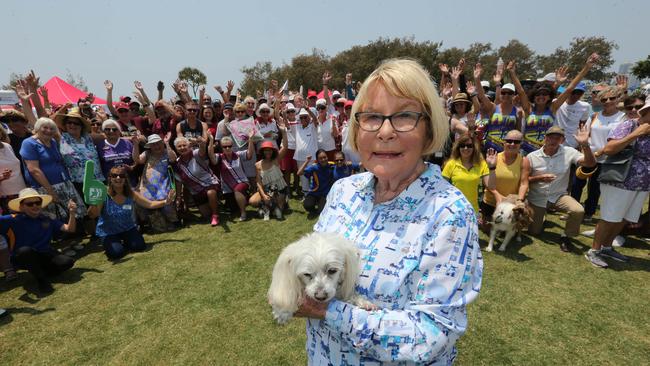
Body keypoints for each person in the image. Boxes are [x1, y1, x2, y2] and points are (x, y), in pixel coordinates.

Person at [295, 59, 482, 365]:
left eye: (405, 116)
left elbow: (429, 336)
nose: (384, 132)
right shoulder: (344, 191)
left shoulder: (449, 213)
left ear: (429, 128)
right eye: (370, 117)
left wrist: (325, 309)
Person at [585, 98, 650, 268]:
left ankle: (607, 247)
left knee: (623, 219)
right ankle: (594, 250)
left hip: (641, 184)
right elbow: (609, 149)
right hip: (619, 180)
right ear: (645, 112)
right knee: (609, 217)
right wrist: (636, 134)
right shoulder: (630, 125)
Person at [527, 126, 596, 252]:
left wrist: (585, 145)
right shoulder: (532, 156)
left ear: (562, 140)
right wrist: (539, 178)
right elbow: (525, 179)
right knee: (534, 232)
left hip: (559, 195)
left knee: (578, 210)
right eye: (550, 137)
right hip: (538, 197)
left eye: (557, 138)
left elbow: (590, 163)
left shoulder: (569, 152)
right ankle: (541, 216)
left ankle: (566, 237)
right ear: (544, 138)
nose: (553, 141)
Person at [87, 166, 174, 260]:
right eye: (114, 175)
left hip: (127, 228)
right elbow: (93, 215)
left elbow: (150, 204)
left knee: (139, 246)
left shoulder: (131, 193)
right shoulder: (103, 194)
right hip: (108, 232)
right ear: (110, 178)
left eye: (121, 176)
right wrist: (94, 203)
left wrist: (166, 202)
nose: (118, 178)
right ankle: (114, 243)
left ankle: (123, 242)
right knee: (116, 254)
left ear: (125, 179)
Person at [0, 188, 77, 293]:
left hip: (45, 254)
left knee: (67, 262)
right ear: (21, 207)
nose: (35, 206)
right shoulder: (12, 220)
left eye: (37, 202)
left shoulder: (47, 218)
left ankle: (40, 271)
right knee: (25, 251)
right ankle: (42, 281)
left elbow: (70, 229)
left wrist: (72, 213)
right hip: (23, 256)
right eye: (30, 204)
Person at [570, 86, 626, 222]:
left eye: (612, 98)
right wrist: (584, 150)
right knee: (577, 184)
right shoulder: (595, 116)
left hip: (607, 159)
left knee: (595, 188)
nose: (608, 101)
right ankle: (573, 210)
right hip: (590, 156)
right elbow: (586, 134)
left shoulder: (623, 117)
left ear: (618, 98)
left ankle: (589, 212)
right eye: (604, 99)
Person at [20, 118, 87, 221]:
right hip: (45, 187)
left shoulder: (52, 141)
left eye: (52, 128)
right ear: (37, 128)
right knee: (54, 217)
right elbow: (34, 170)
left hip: (64, 183)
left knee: (74, 213)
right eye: (45, 128)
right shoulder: (29, 143)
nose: (48, 131)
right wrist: (50, 190)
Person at [481, 130, 530, 227]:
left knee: (506, 229)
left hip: (511, 203)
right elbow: (486, 182)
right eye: (509, 141)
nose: (512, 144)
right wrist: (498, 196)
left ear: (521, 144)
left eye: (516, 142)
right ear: (504, 142)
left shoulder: (524, 161)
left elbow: (524, 183)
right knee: (489, 229)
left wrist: (519, 200)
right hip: (491, 201)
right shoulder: (493, 158)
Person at [442, 130, 497, 213]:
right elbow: (442, 187)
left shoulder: (481, 164)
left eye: (469, 146)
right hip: (454, 210)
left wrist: (492, 167)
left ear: (474, 147)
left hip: (472, 210)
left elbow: (491, 186)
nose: (465, 148)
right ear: (458, 147)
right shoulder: (451, 164)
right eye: (462, 146)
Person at [132, 134, 178, 232]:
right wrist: (135, 145)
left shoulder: (167, 152)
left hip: (163, 185)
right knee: (142, 203)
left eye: (158, 143)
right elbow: (137, 160)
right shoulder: (147, 153)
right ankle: (147, 224)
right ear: (150, 146)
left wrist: (167, 144)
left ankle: (171, 222)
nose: (157, 146)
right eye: (153, 144)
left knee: (166, 201)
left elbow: (173, 158)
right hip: (146, 186)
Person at [174, 136, 221, 226]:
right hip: (196, 191)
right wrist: (178, 197)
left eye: (184, 145)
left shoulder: (195, 153)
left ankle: (216, 215)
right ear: (176, 149)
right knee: (206, 215)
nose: (182, 148)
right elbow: (179, 181)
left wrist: (201, 142)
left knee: (211, 193)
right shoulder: (178, 163)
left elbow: (202, 149)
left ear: (189, 146)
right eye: (179, 146)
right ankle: (212, 209)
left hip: (210, 183)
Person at [210, 133, 255, 222]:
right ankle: (244, 200)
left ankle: (243, 213)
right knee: (233, 209)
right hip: (227, 188)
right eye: (224, 147)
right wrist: (211, 141)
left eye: (229, 146)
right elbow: (211, 156)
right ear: (221, 148)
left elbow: (249, 154)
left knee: (237, 190)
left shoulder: (238, 154)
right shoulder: (219, 157)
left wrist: (250, 140)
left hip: (241, 182)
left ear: (232, 146)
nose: (227, 148)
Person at [249, 128, 289, 220]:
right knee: (252, 201)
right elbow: (258, 182)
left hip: (279, 189)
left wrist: (283, 132)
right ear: (262, 152)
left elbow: (285, 147)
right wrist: (263, 195)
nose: (268, 152)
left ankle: (282, 202)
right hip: (266, 190)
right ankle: (266, 204)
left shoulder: (276, 160)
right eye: (265, 150)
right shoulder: (258, 165)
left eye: (270, 150)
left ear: (273, 151)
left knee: (278, 211)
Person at [95, 120, 137, 187]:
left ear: (119, 131)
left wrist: (131, 167)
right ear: (103, 131)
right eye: (107, 129)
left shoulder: (128, 143)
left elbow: (136, 161)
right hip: (111, 185)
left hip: (129, 183)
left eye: (114, 129)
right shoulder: (100, 146)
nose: (111, 131)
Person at [297, 149, 335, 216]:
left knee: (321, 211)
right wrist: (307, 161)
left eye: (324, 157)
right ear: (317, 160)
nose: (323, 159)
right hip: (314, 192)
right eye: (320, 158)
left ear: (327, 157)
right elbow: (299, 173)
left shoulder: (331, 166)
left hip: (325, 194)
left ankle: (320, 204)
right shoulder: (314, 167)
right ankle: (316, 204)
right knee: (307, 206)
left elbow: (342, 165)